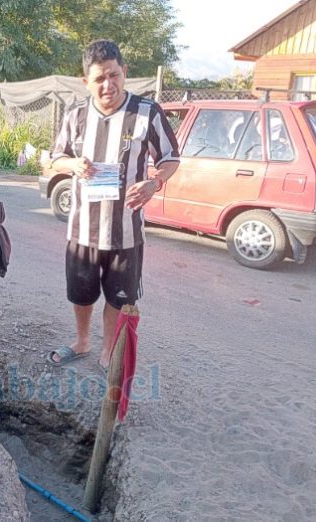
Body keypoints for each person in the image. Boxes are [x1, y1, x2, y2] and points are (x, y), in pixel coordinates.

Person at [47, 39, 180, 372]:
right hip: (82, 230)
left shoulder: (147, 113)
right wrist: (72, 166)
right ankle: (81, 341)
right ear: (85, 82)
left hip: (126, 234)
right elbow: (54, 158)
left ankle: (108, 351)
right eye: (99, 79)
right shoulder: (75, 115)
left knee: (119, 298)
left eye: (114, 75)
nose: (108, 85)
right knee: (80, 294)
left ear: (124, 72)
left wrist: (154, 183)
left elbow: (171, 158)